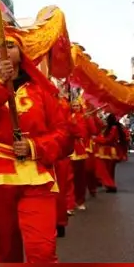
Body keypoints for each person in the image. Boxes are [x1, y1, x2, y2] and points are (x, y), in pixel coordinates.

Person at [0, 34, 70, 263]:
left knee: (42, 251)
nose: (3, 50)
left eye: (9, 45)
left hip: (36, 177)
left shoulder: (41, 90)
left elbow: (64, 133)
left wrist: (34, 147)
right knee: (0, 254)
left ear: (21, 54)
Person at [54, 93, 77, 237]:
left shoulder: (59, 108)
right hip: (59, 156)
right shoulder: (67, 115)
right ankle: (59, 223)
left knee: (56, 193)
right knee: (59, 192)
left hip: (56, 156)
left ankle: (58, 223)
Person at [68, 96, 92, 212]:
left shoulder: (84, 117)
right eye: (73, 106)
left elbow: (90, 131)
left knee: (80, 178)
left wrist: (89, 119)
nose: (75, 108)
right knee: (69, 178)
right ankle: (70, 202)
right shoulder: (68, 117)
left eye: (77, 105)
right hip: (69, 151)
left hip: (80, 151)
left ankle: (80, 200)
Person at [93, 113, 127, 193]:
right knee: (109, 170)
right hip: (107, 151)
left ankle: (111, 185)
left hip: (109, 151)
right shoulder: (111, 127)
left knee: (107, 170)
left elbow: (109, 140)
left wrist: (97, 139)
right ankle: (110, 185)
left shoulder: (113, 128)